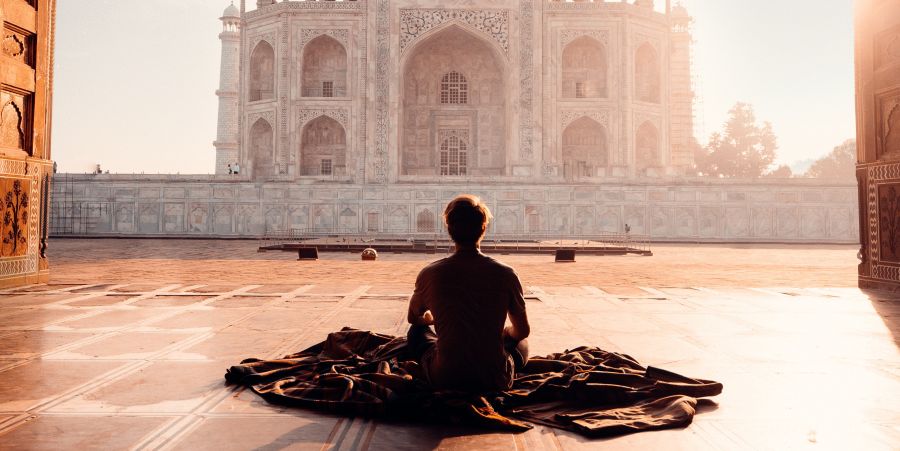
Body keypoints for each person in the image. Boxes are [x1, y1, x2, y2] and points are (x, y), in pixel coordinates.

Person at [406, 194, 530, 392]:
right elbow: (522, 331)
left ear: (449, 229)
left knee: (417, 332)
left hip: (445, 377)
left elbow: (413, 318)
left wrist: (432, 321)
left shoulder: (431, 273)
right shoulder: (505, 273)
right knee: (520, 341)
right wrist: (506, 332)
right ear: (483, 227)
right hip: (494, 379)